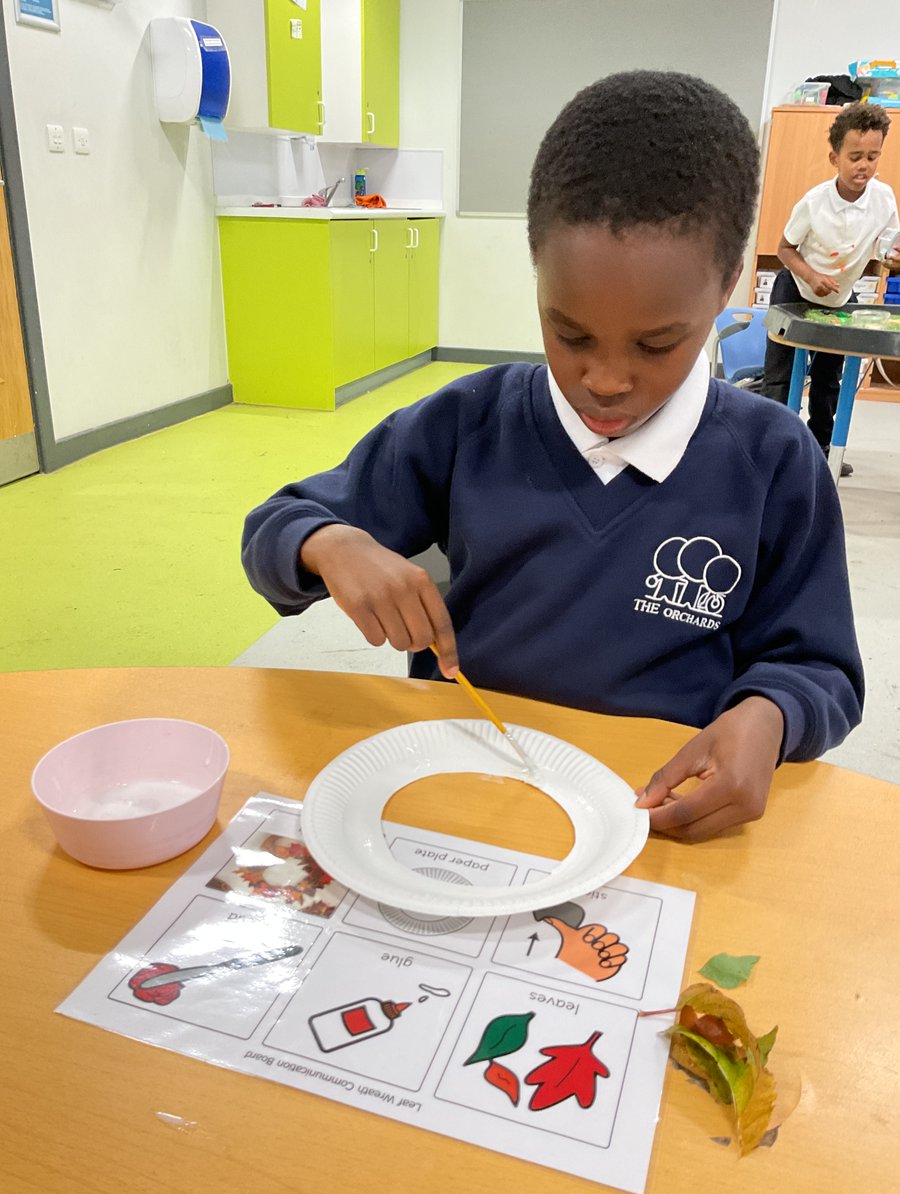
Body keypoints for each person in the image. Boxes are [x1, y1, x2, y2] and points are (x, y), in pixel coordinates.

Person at [242, 71, 864, 843]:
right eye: (569, 335)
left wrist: (767, 717)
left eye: (656, 343)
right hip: (464, 805)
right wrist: (328, 542)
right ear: (537, 271)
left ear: (729, 285)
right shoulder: (468, 423)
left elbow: (821, 669)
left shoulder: (774, 461)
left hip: (656, 818)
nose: (603, 380)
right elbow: (275, 525)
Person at [761, 102, 900, 476]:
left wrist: (891, 258)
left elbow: (885, 247)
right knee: (780, 374)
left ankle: (821, 449)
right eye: (855, 157)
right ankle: (774, 449)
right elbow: (784, 249)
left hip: (839, 295)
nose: (864, 166)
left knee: (828, 378)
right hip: (795, 288)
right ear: (834, 157)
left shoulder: (883, 198)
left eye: (873, 156)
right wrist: (811, 276)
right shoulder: (814, 202)